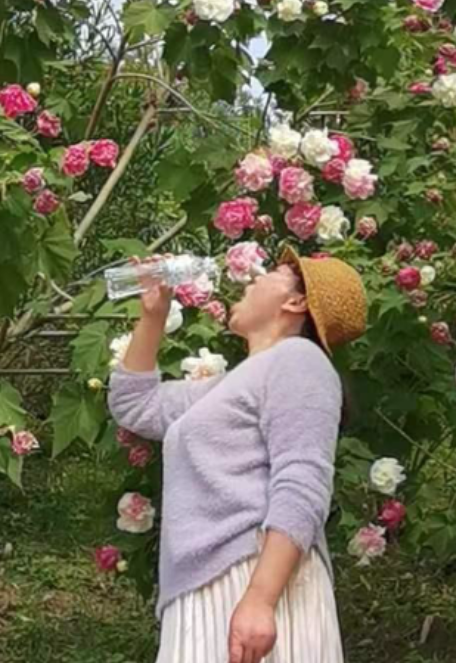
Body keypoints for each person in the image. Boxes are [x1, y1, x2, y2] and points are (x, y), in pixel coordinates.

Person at [108, 244, 367, 663]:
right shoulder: (225, 387)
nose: (254, 278)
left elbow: (303, 484)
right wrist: (153, 317)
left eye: (274, 273)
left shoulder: (300, 360)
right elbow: (134, 404)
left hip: (255, 579)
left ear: (295, 302)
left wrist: (261, 599)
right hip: (203, 589)